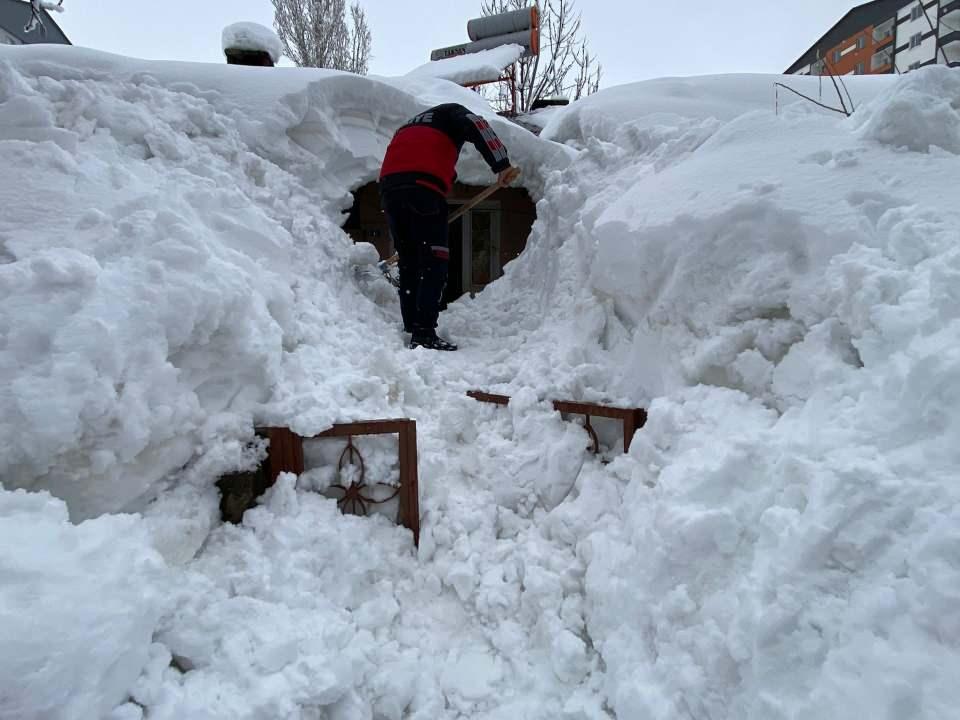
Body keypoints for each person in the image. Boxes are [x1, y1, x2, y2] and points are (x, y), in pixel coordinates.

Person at [379, 103, 519, 351]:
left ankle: (413, 326)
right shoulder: (452, 111)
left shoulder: (411, 126)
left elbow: (420, 156)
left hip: (390, 188)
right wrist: (502, 164)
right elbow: (478, 125)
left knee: (410, 260)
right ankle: (424, 333)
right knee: (434, 259)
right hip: (423, 186)